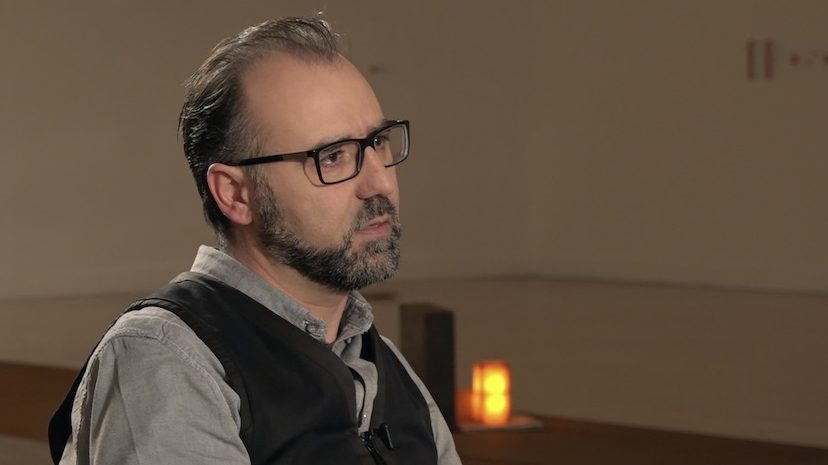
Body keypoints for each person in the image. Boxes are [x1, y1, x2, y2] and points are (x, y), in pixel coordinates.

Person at [49, 17, 462, 465]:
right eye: (333, 156)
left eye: (377, 142)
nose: (379, 183)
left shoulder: (391, 369)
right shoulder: (166, 357)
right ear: (235, 194)